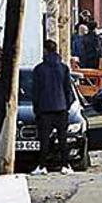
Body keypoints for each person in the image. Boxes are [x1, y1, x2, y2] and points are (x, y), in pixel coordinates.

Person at [32, 40, 76, 174]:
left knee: (44, 140)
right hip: (61, 108)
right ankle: (65, 165)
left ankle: (42, 166)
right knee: (63, 139)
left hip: (45, 109)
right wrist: (66, 105)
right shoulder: (63, 68)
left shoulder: (39, 69)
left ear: (45, 50)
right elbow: (68, 89)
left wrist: (37, 108)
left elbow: (35, 91)